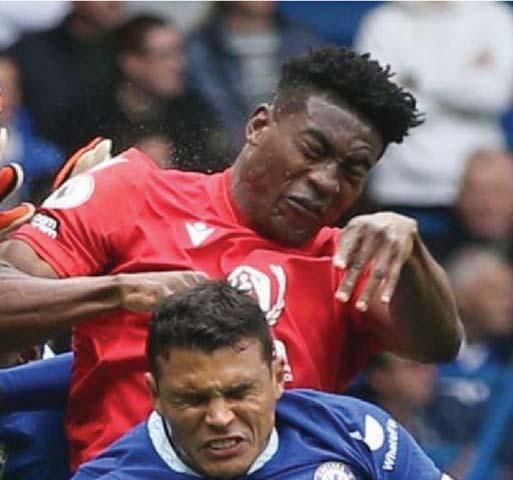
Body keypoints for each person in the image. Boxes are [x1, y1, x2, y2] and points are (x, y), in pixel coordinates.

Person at [0, 46, 462, 470]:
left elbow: (437, 345)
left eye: (352, 171)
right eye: (313, 150)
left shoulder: (344, 262)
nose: (326, 180)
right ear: (259, 126)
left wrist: (412, 254)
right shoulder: (134, 192)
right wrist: (121, 292)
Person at [73, 281, 454, 479]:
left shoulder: (354, 431)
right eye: (193, 399)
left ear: (277, 376)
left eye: (240, 392)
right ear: (155, 394)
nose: (220, 417)